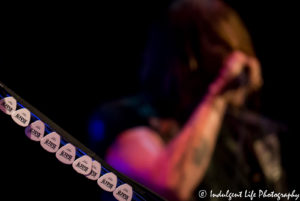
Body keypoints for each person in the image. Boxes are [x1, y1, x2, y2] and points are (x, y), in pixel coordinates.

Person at [88, 0, 286, 200]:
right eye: (225, 54)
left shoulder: (250, 131)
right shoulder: (125, 118)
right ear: (189, 63)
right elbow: (168, 188)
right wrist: (216, 98)